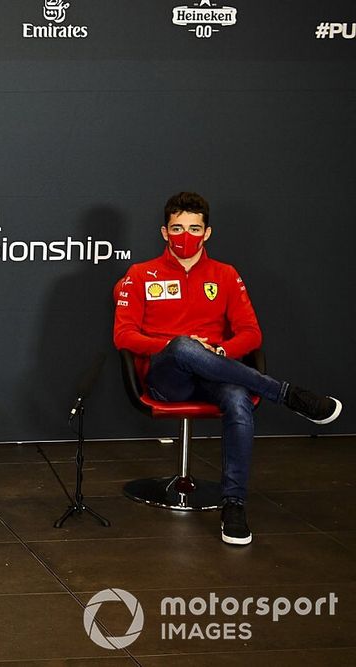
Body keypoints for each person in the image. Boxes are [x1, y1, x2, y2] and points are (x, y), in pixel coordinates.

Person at [113, 191, 342, 546]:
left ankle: (233, 505)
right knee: (184, 346)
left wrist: (218, 350)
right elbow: (124, 336)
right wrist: (177, 346)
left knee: (237, 399)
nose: (184, 236)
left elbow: (251, 333)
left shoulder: (225, 274)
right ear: (164, 232)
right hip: (166, 379)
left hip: (215, 375)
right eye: (177, 228)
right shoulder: (141, 274)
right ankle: (287, 394)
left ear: (207, 233)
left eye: (193, 228)